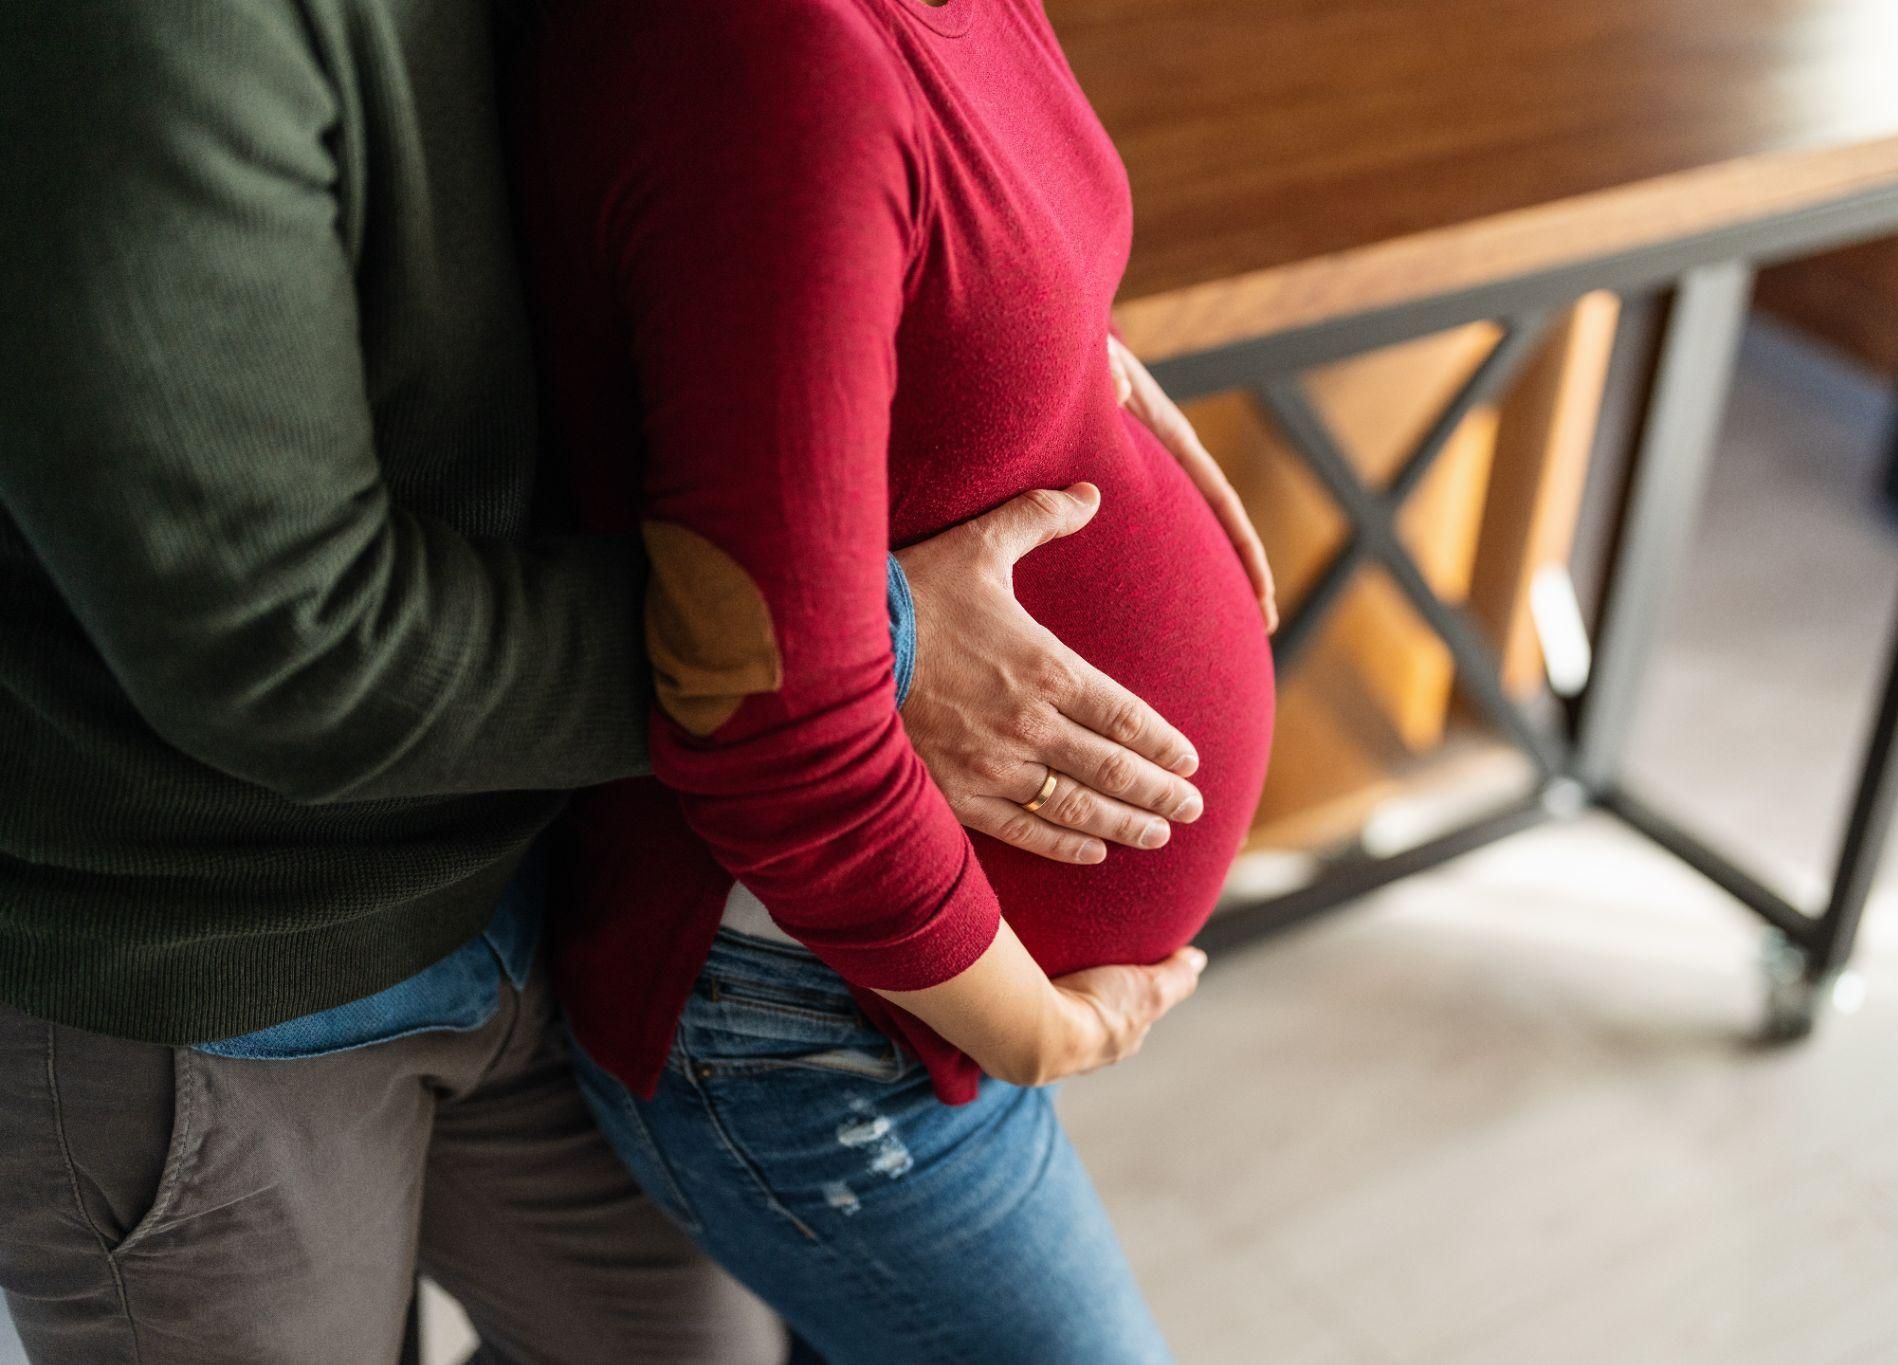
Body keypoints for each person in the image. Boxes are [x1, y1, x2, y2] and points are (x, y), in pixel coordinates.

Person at [0, 3, 1227, 1362]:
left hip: (534, 862)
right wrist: (849, 641)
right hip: (211, 966)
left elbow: (709, 223)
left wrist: (1032, 345)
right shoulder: (141, 39)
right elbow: (281, 639)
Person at [514, 0, 1280, 1360]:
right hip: (816, 1015)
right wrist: (1031, 1027)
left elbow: (898, 274)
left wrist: (1083, 365)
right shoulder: (766, 56)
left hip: (902, 979)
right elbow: (768, 722)